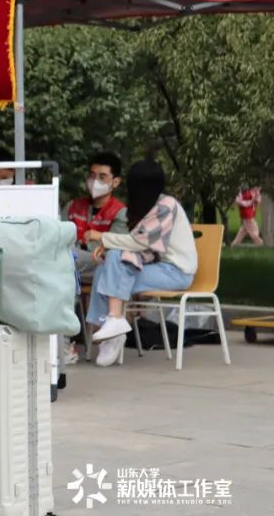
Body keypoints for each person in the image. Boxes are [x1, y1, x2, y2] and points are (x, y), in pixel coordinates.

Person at [86, 160, 197, 367]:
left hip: (176, 272)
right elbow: (140, 245)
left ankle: (114, 323)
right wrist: (109, 247)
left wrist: (103, 238)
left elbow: (139, 242)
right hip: (156, 266)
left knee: (112, 267)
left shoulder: (166, 205)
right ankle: (111, 327)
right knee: (104, 270)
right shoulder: (149, 205)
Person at [65, 152, 128, 284]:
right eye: (92, 176)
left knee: (65, 258)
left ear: (115, 182)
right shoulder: (72, 206)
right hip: (73, 261)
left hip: (100, 264)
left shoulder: (120, 213)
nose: (95, 181)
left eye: (102, 177)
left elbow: (113, 251)